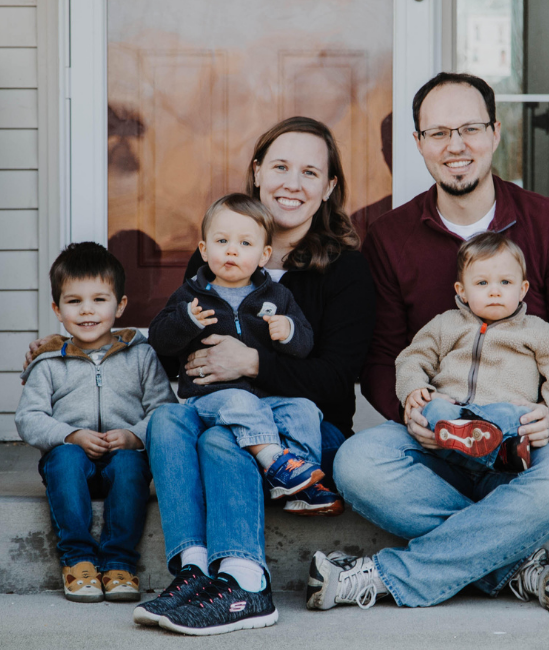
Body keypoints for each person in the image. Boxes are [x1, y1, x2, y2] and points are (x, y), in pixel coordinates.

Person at [306, 72, 549, 619]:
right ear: (419, 143)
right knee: (356, 461)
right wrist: (410, 408)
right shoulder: (392, 237)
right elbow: (383, 354)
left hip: (526, 442)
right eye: (439, 132)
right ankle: (516, 564)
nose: (456, 145)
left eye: (469, 128)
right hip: (439, 438)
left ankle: (386, 575)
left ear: (494, 133)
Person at [129, 116, 376, 635]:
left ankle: (245, 583)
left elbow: (336, 380)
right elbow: (179, 358)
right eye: (281, 166)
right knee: (168, 423)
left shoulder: (345, 270)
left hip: (305, 430)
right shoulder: (220, 255)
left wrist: (253, 363)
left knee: (223, 437)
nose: (292, 182)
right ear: (258, 172)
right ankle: (192, 572)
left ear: (329, 188)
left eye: (310, 172)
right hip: (221, 408)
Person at [149, 192, 340, 508]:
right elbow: (160, 339)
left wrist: (289, 331)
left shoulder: (278, 296)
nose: (232, 251)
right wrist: (186, 321)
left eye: (245, 244)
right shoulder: (191, 297)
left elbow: (305, 344)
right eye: (222, 241)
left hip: (267, 399)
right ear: (204, 249)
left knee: (304, 409)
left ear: (265, 255)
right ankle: (274, 460)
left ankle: (299, 484)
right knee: (240, 400)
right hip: (213, 398)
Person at [16, 242, 175, 604]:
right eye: (74, 302)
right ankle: (79, 560)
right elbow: (29, 418)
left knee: (132, 465)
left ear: (120, 305)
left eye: (99, 300)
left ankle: (119, 562)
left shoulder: (141, 355)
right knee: (66, 459)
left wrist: (135, 436)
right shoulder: (49, 362)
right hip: (71, 464)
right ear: (57, 309)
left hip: (124, 459)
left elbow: (164, 409)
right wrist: (70, 434)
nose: (87, 311)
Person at [397, 232, 549, 478]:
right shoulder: (445, 325)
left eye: (505, 283)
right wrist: (413, 389)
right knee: (434, 411)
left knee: (514, 416)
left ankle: (496, 449)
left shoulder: (536, 331)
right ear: (462, 291)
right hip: (456, 414)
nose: (495, 291)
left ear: (522, 289)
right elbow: (412, 357)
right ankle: (496, 454)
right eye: (482, 283)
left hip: (503, 416)